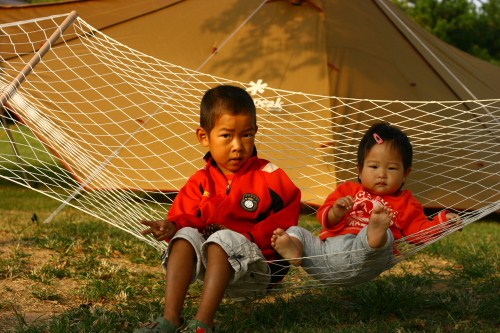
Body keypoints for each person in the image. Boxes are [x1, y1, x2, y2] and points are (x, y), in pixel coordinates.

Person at [135, 85, 301, 333]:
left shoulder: (270, 176)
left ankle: (203, 325)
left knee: (222, 239)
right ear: (204, 137)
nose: (238, 145)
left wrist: (248, 237)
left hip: (258, 268)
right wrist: (173, 225)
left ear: (255, 132)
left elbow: (287, 218)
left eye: (246, 135)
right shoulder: (200, 181)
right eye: (227, 136)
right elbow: (187, 218)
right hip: (213, 267)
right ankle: (170, 319)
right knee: (183, 237)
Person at [271, 122, 459, 285]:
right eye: (373, 166)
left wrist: (443, 222)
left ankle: (375, 233)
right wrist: (336, 212)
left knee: (384, 233)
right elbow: (324, 218)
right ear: (360, 170)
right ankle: (295, 248)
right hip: (325, 256)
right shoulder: (348, 190)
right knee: (296, 231)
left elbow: (419, 232)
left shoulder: (406, 202)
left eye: (392, 168)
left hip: (366, 260)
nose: (382, 174)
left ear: (405, 174)